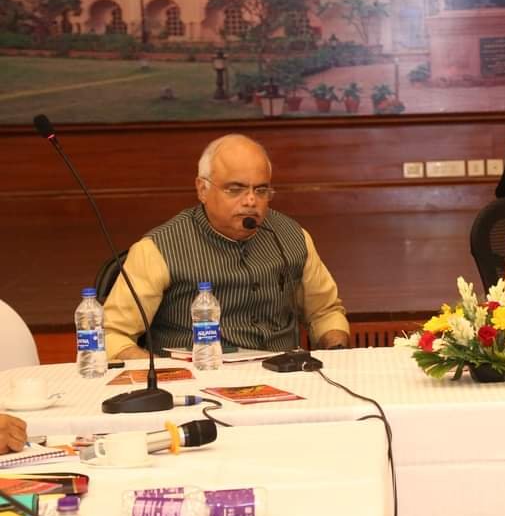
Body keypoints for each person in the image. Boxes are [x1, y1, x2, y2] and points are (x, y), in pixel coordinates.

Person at [105, 134, 350, 359]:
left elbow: (325, 312)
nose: (251, 201)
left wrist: (336, 349)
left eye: (261, 190)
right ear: (202, 189)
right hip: (199, 380)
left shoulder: (292, 236)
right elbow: (112, 335)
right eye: (235, 189)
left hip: (285, 374)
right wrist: (165, 373)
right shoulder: (157, 249)